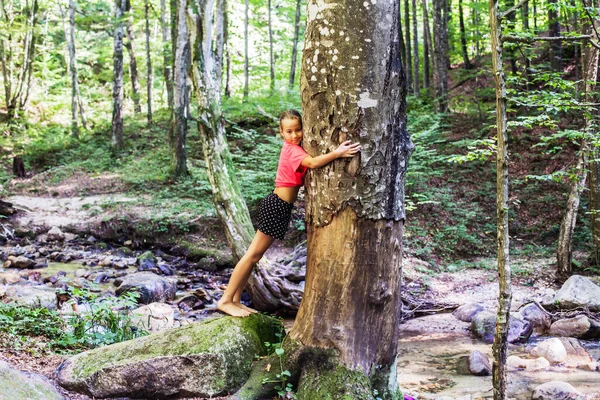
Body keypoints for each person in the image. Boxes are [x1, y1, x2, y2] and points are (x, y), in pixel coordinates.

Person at [217, 109, 361, 317]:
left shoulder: (295, 147)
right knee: (252, 255)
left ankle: (235, 299)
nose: (294, 135)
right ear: (281, 132)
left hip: (280, 207)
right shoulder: (292, 150)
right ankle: (225, 300)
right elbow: (312, 163)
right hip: (276, 206)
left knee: (255, 256)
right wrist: (337, 153)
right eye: (289, 131)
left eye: (298, 130)